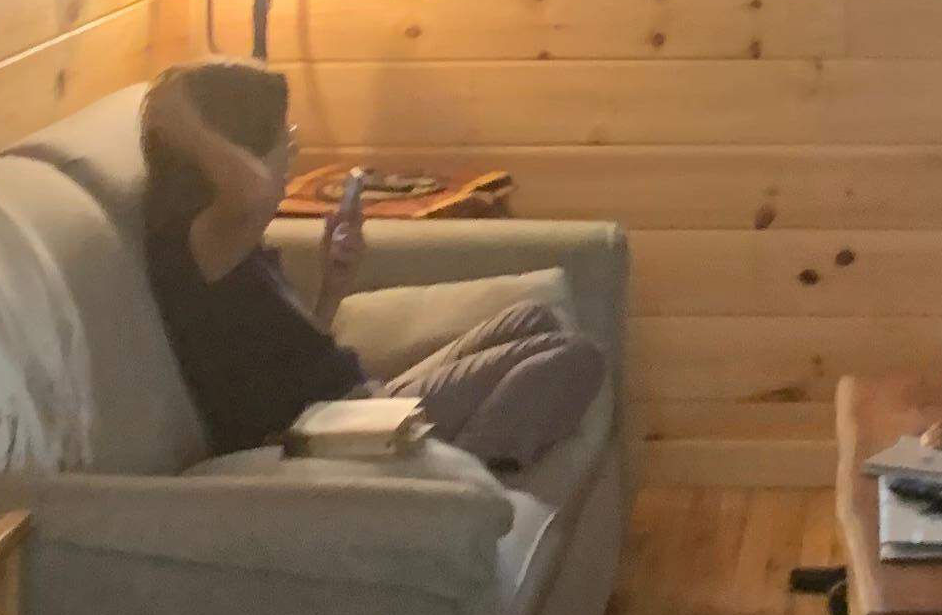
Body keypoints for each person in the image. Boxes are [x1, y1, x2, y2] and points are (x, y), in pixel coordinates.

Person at [138, 62, 605, 473]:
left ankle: (446, 457)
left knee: (535, 318)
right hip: (331, 434)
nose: (293, 148)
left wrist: (331, 287)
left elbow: (281, 365)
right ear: (242, 150)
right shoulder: (197, 242)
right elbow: (254, 191)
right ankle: (461, 474)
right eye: (283, 135)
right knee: (576, 356)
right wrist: (183, 122)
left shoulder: (233, 243)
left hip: (353, 407)